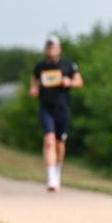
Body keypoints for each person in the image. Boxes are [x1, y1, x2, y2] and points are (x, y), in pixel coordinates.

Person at [29, 35, 83, 192]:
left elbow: (80, 82)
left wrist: (70, 82)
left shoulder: (69, 65)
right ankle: (51, 177)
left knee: (60, 144)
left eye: (53, 47)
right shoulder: (40, 67)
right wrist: (34, 89)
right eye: (48, 47)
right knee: (48, 140)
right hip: (46, 108)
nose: (50, 50)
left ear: (59, 49)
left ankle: (57, 169)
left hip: (62, 109)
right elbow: (34, 80)